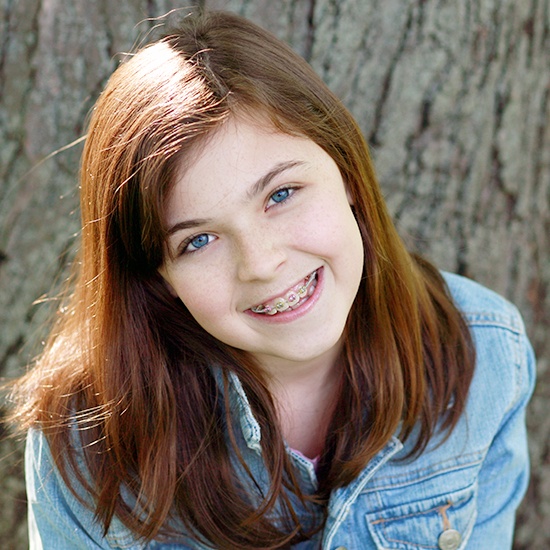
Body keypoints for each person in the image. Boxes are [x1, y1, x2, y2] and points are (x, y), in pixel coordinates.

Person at [8, 10, 535, 550]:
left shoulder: (483, 353)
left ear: (347, 173)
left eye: (280, 195)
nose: (259, 263)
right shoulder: (89, 435)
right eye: (198, 241)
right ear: (159, 277)